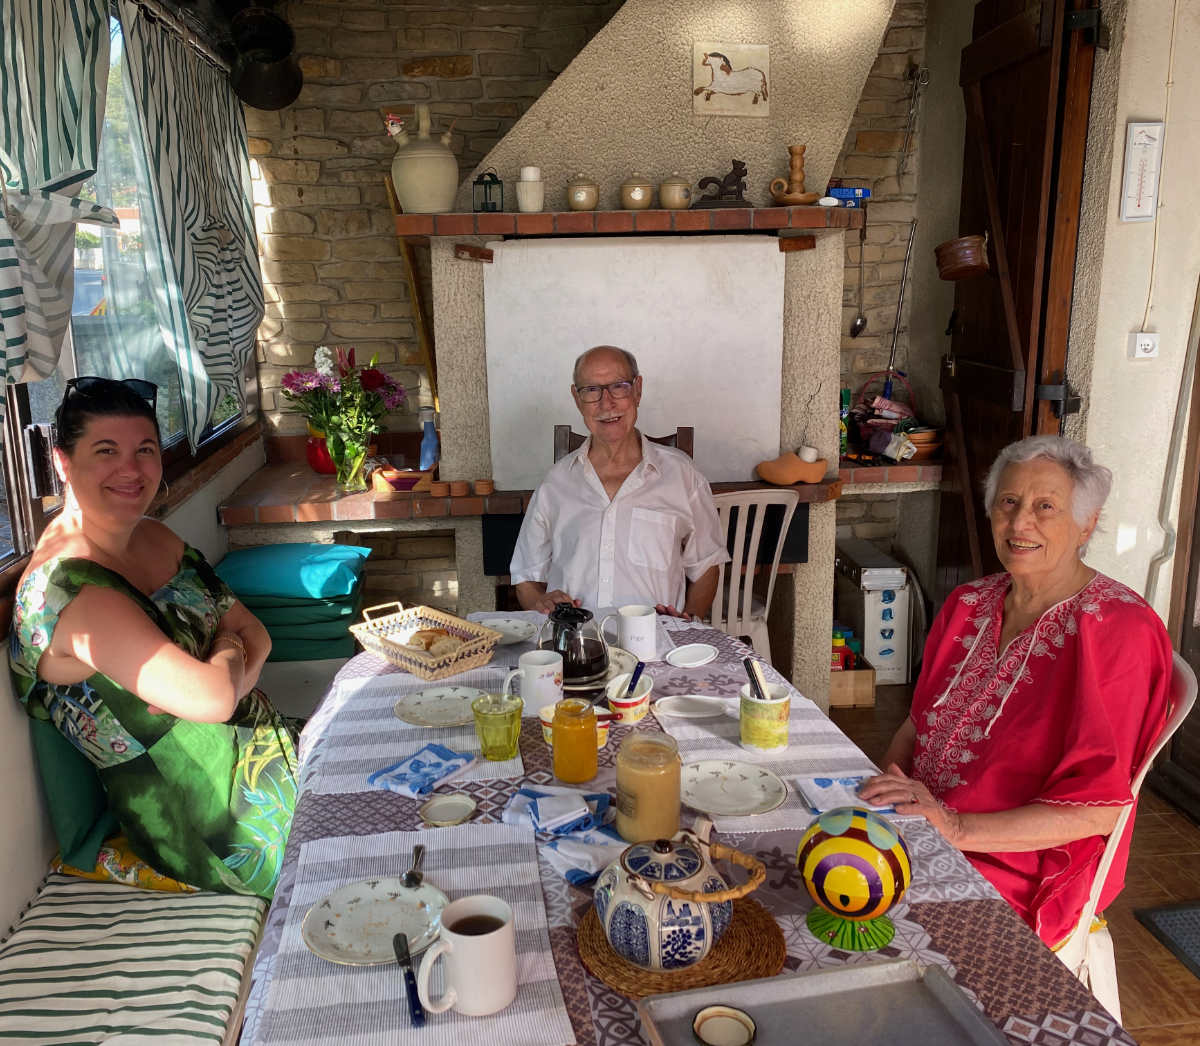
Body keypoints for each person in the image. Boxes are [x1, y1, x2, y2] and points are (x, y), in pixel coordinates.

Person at [858, 435, 1171, 947]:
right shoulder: (967, 603)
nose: (1020, 522)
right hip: (923, 826)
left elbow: (1098, 810)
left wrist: (955, 829)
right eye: (1008, 501)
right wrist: (883, 799)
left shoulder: (1117, 630)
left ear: (1086, 523)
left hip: (1020, 865)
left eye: (1045, 506)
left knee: (856, 927)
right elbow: (915, 728)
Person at [9, 377, 297, 899]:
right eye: (106, 451)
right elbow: (215, 697)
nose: (131, 469)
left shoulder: (154, 536)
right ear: (62, 463)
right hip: (215, 823)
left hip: (264, 750)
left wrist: (227, 669)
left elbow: (257, 633)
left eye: (145, 449)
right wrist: (228, 655)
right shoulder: (71, 593)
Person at [510, 345, 728, 618]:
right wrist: (541, 602)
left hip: (656, 639)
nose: (606, 403)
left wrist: (687, 628)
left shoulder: (682, 475)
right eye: (592, 390)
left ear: (638, 390)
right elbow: (526, 577)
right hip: (577, 639)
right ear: (577, 399)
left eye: (619, 387)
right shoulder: (555, 483)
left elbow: (707, 565)